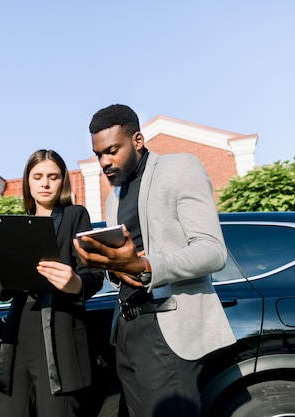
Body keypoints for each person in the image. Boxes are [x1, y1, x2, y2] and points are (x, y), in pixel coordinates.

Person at [74, 104, 236, 417]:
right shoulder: (113, 197)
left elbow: (213, 250)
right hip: (126, 330)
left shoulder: (180, 167)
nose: (104, 162)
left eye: (112, 150)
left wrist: (147, 266)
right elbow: (123, 264)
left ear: (137, 140)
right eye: (98, 154)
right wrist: (111, 266)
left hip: (167, 326)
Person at [0, 149, 105, 417]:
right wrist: (10, 268)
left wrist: (74, 282)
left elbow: (94, 276)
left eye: (53, 177)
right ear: (27, 182)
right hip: (18, 333)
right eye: (38, 176)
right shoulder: (14, 226)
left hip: (60, 330)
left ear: (63, 181)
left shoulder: (75, 215)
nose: (45, 183)